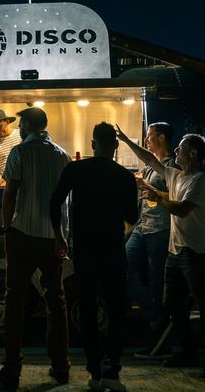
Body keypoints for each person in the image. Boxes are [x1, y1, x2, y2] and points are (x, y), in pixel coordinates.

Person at [116, 126, 205, 378]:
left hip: (195, 253)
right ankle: (186, 352)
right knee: (173, 305)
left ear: (192, 154)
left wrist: (157, 197)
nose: (176, 150)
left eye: (181, 148)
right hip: (175, 252)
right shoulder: (175, 176)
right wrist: (126, 140)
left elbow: (180, 209)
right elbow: (148, 158)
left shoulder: (200, 181)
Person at [50, 122, 138, 392]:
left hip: (84, 250)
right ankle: (113, 368)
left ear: (92, 145)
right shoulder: (124, 176)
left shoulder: (76, 169)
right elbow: (131, 217)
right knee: (116, 310)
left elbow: (55, 202)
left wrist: (60, 236)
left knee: (87, 309)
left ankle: (95, 370)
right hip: (112, 249)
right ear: (116, 145)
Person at [0, 107, 71, 392]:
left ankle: (12, 369)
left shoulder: (21, 152)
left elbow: (10, 192)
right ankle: (61, 367)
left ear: (28, 125)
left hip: (23, 234)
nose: (19, 127)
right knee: (56, 302)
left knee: (14, 301)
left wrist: (6, 227)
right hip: (52, 237)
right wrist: (63, 237)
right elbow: (66, 203)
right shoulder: (62, 155)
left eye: (21, 122)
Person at [126, 123, 178, 359]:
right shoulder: (149, 167)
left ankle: (159, 340)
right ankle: (157, 318)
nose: (147, 140)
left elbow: (176, 197)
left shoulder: (172, 165)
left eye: (149, 136)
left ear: (161, 137)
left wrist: (151, 190)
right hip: (142, 226)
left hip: (160, 228)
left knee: (157, 282)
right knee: (123, 267)